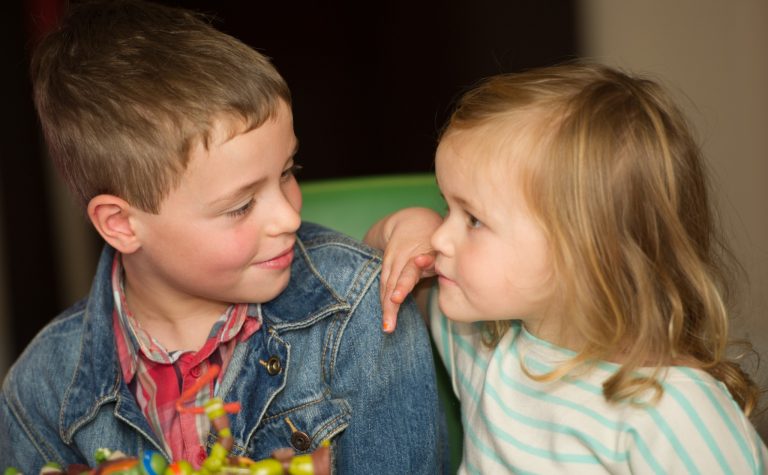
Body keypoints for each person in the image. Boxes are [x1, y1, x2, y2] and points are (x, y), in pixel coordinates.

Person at [0, 0, 444, 472]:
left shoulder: (361, 311)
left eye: (288, 171)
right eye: (241, 205)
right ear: (121, 224)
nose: (288, 217)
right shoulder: (42, 389)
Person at [365, 62, 768, 473]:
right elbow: (376, 262)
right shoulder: (484, 343)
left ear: (585, 252)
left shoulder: (674, 412)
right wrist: (410, 223)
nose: (440, 239)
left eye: (473, 220)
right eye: (444, 206)